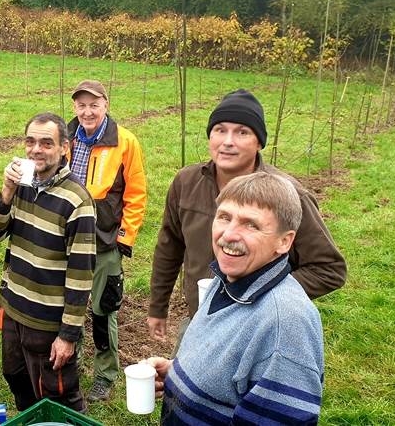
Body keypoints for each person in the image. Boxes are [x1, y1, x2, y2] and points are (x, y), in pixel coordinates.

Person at [147, 89, 346, 343]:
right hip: (201, 319)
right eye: (220, 129)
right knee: (180, 381)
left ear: (259, 142)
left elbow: (329, 269)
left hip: (259, 330)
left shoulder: (288, 195)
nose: (228, 141)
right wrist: (157, 306)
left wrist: (260, 297)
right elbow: (170, 245)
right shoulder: (186, 182)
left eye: (242, 132)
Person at [144, 171, 324, 425]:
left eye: (251, 224)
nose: (228, 234)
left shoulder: (286, 324)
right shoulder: (226, 280)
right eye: (224, 217)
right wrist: (176, 372)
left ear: (284, 241)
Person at [0, 112, 95, 413]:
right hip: (13, 308)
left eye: (47, 143)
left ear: (64, 149)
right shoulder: (22, 183)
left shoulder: (77, 201)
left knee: (58, 396)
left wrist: (68, 336)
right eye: (30, 141)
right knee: (16, 377)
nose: (36, 150)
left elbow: (81, 275)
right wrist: (6, 191)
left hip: (47, 321)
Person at [65, 80, 146, 402]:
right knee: (68, 307)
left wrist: (125, 236)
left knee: (102, 309)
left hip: (104, 240)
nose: (87, 111)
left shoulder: (125, 142)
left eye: (93, 105)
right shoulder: (64, 136)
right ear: (75, 108)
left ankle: (105, 375)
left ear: (106, 105)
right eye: (81, 105)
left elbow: (136, 194)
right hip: (68, 237)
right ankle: (71, 362)